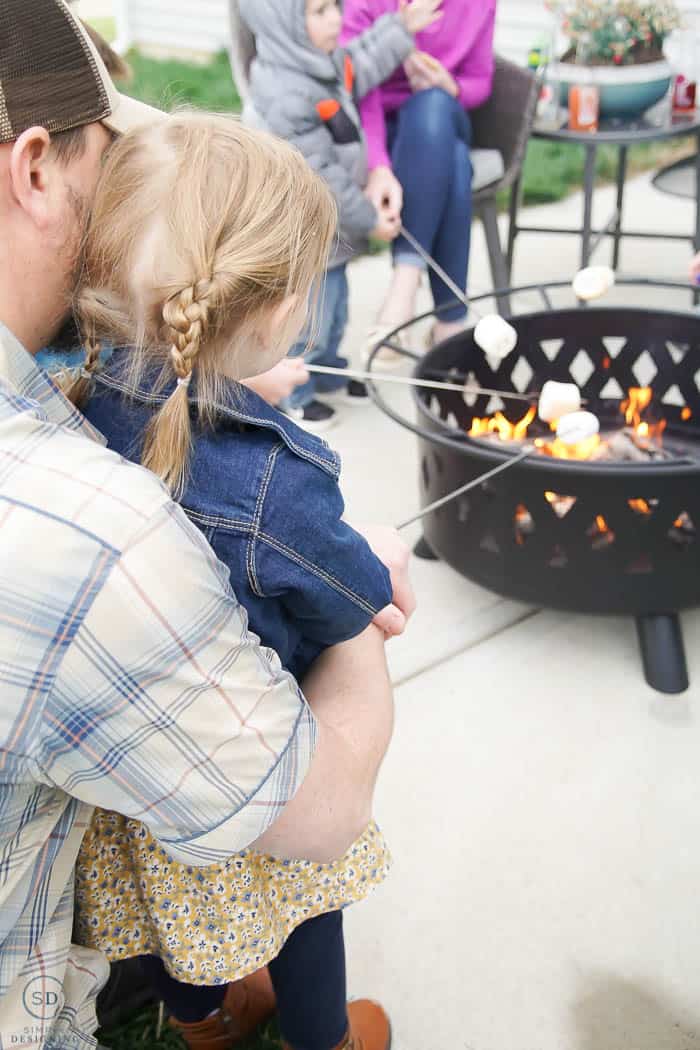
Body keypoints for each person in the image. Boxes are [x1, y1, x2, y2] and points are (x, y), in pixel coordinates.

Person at [0, 3, 413, 1048]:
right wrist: (374, 600)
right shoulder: (101, 525)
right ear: (34, 169)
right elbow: (325, 799)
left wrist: (221, 376)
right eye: (107, 156)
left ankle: (198, 1015)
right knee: (310, 894)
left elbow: (150, 384)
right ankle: (318, 1036)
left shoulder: (80, 394)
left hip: (130, 831)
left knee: (181, 938)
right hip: (240, 791)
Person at [238, 0, 443, 431]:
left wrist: (399, 28)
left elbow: (363, 61)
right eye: (319, 11)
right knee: (306, 314)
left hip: (330, 230)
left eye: (335, 6)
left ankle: (326, 365)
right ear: (286, 25)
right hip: (302, 232)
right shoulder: (286, 92)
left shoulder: (323, 64)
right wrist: (370, 218)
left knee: (336, 304)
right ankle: (294, 390)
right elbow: (322, 177)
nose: (336, 18)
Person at [342, 0, 496, 358]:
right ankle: (450, 328)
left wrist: (450, 85)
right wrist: (378, 164)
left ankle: (403, 287)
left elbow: (480, 81)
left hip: (444, 113)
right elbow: (356, 86)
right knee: (456, 163)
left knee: (433, 105)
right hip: (378, 125)